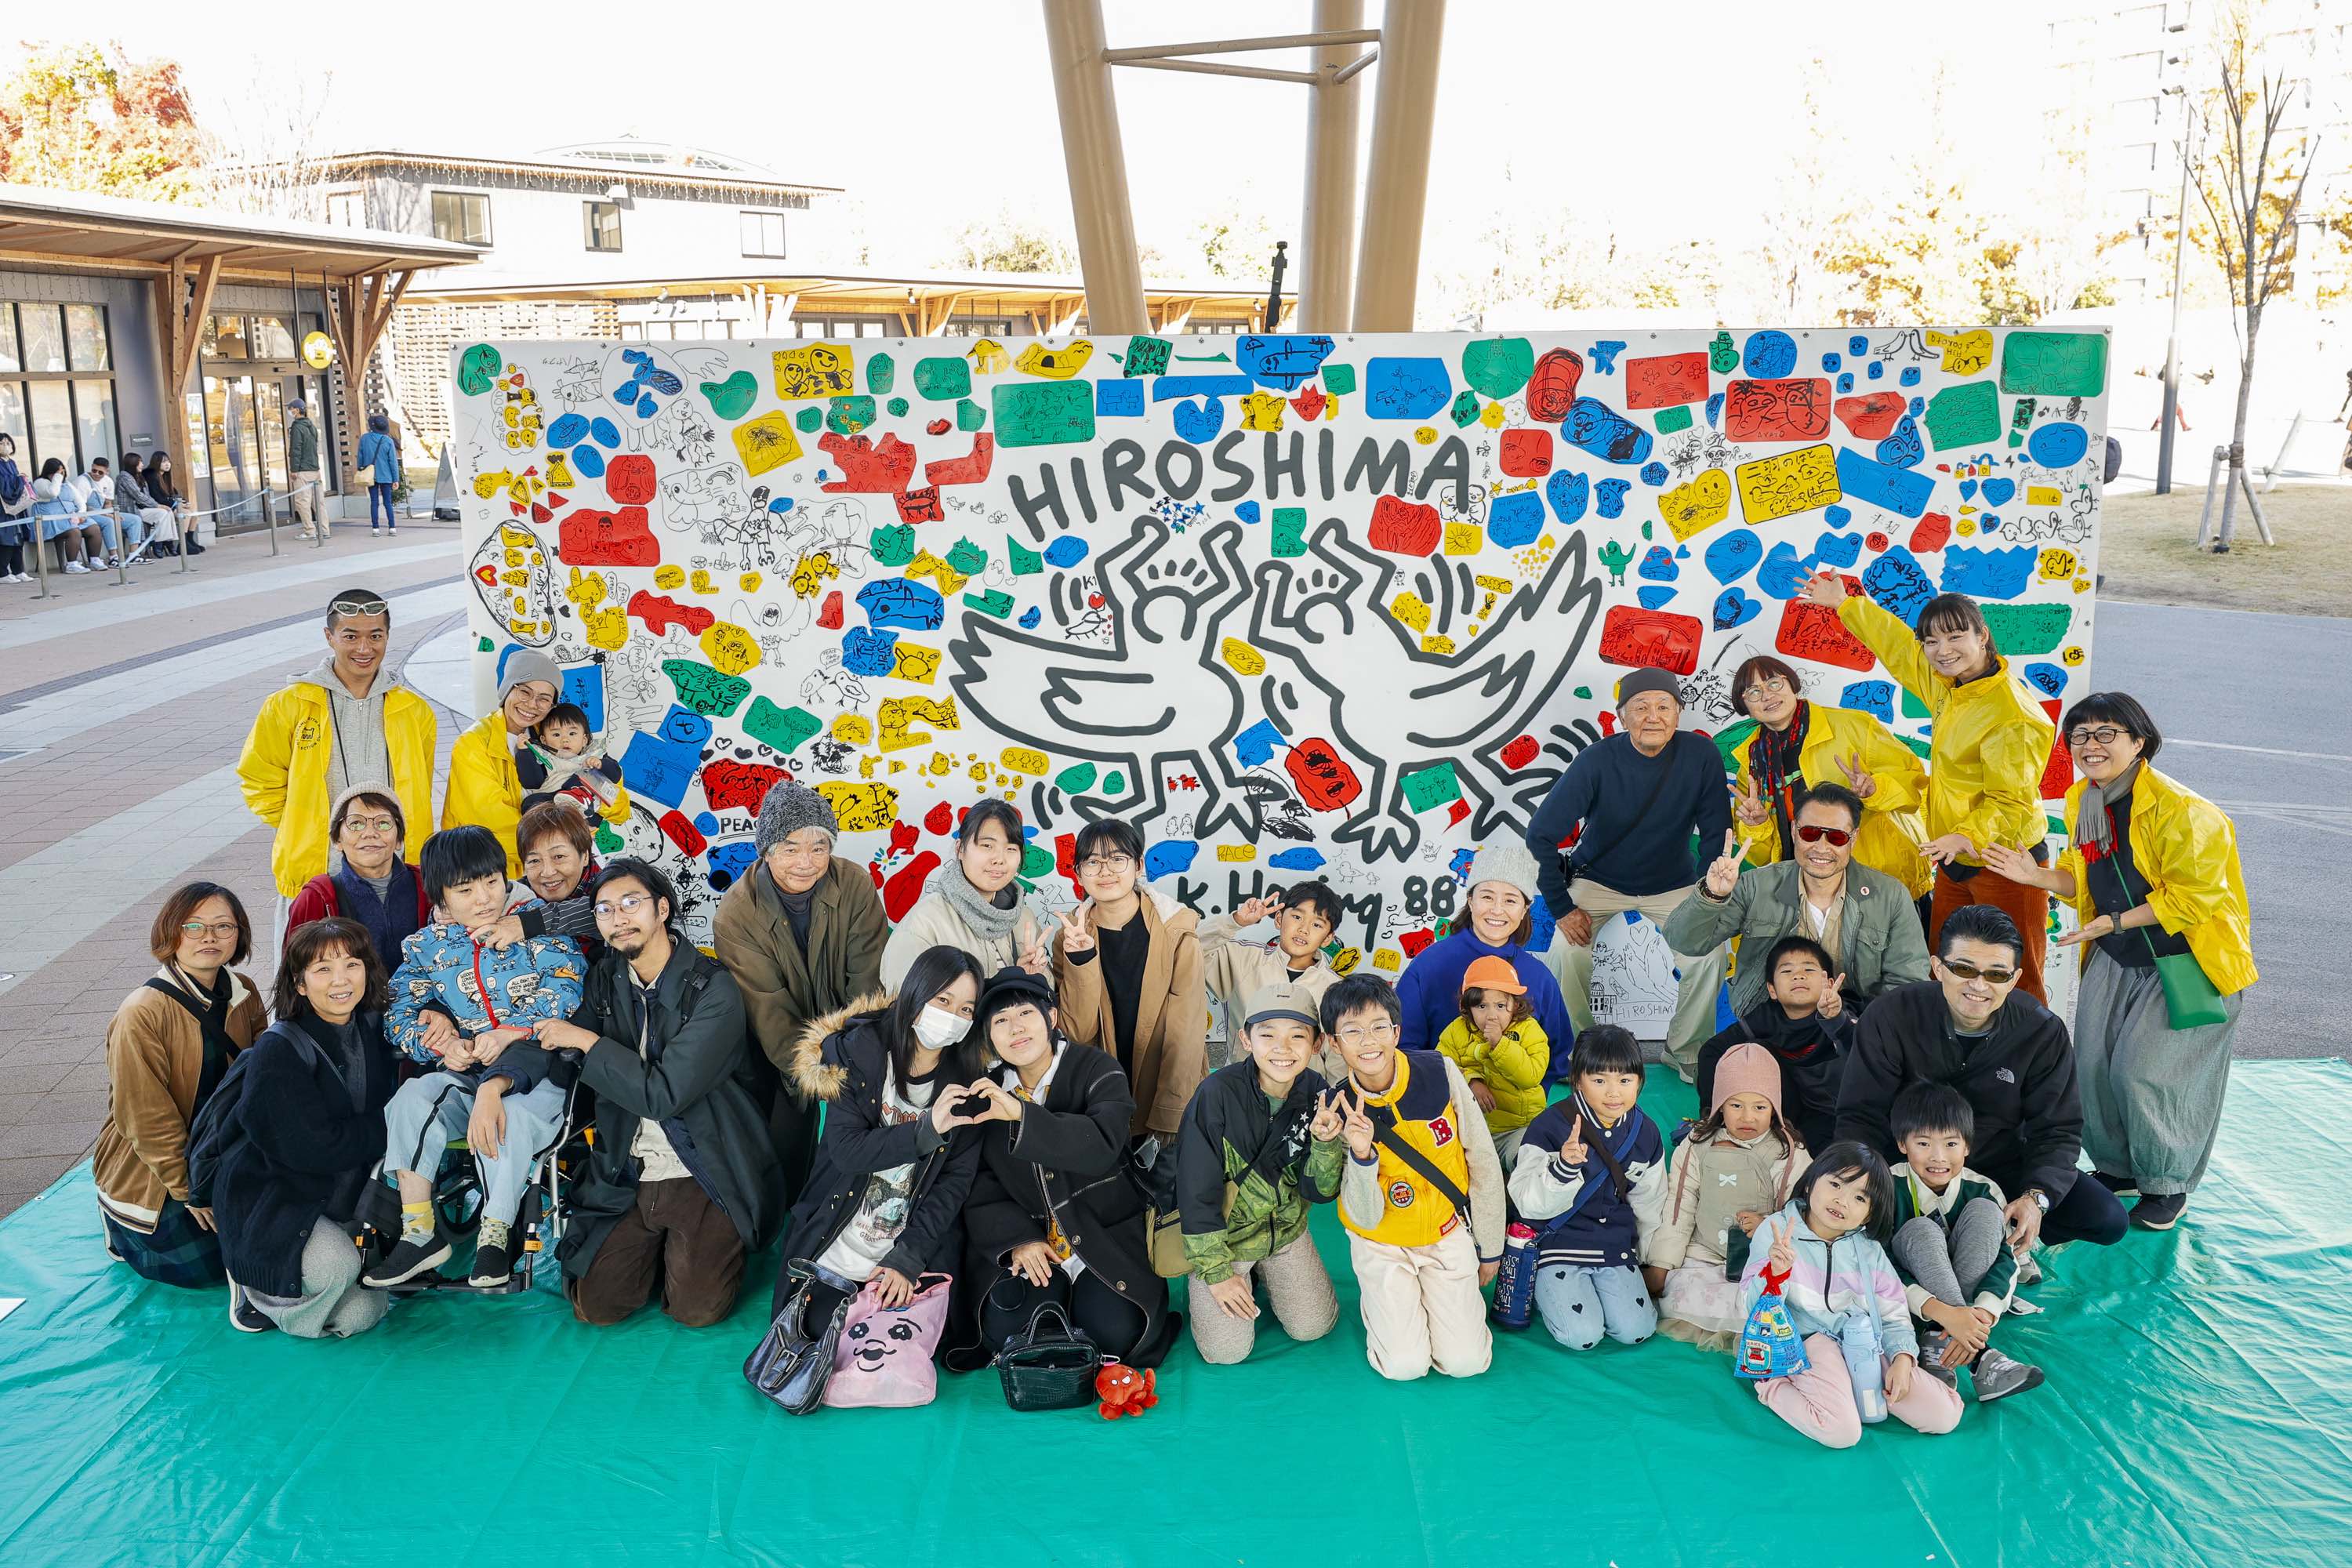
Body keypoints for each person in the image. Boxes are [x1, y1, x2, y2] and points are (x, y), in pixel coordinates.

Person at [1984, 693, 2255, 1232]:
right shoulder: (2085, 799)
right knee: (2094, 1067)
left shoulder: (2186, 811)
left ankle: (2167, 1183)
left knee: (2144, 1073)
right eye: (2080, 735)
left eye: (2106, 733)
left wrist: (2112, 923)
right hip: (2116, 954)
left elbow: (2193, 899)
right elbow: (2081, 878)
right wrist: (2035, 877)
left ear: (2139, 742)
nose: (2091, 745)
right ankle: (2118, 1168)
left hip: (2185, 960)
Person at [536, 859, 785, 1327]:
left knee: (697, 1310)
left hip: (703, 1166)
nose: (619, 918)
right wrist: (498, 1077)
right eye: (605, 909)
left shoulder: (714, 989)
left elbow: (664, 1095)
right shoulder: (605, 979)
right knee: (596, 1308)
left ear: (663, 909)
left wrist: (589, 1043)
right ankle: (652, 1253)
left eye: (631, 903)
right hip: (628, 1167)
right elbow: (556, 1043)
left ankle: (700, 1244)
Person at [1800, 573, 2060, 999]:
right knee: (1945, 969)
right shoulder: (1949, 685)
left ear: (1983, 636)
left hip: (2006, 860)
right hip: (1954, 856)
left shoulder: (2014, 714)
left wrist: (1965, 836)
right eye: (1932, 641)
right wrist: (1846, 604)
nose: (1943, 650)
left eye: (1956, 637)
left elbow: (2010, 802)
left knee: (2015, 977)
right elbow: (1899, 647)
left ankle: (2027, 1045)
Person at [1836, 903, 2129, 1258]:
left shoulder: (2041, 1031)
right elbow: (1861, 1115)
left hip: (1999, 1162)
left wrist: (2035, 1197)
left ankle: (2009, 1235)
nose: (1978, 985)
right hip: (1908, 1165)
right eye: (1963, 969)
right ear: (1938, 968)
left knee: (2107, 1218)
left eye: (1996, 974)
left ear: (2015, 979)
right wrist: (1870, 1184)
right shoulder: (1890, 1015)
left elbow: (2057, 1129)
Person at [366, 826, 586, 1288]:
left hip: (539, 1074)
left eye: (491, 882)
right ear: (441, 897)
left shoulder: (537, 927)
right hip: (469, 1072)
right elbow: (397, 1011)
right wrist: (438, 1040)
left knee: (509, 1115)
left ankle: (496, 1232)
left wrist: (510, 1033)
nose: (485, 898)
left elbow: (566, 990)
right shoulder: (427, 947)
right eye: (466, 890)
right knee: (410, 1098)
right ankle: (419, 1232)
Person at [953, 966, 1176, 1370]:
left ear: (1051, 1018)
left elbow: (1103, 1145)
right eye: (1000, 1021)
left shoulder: (1098, 1069)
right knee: (1009, 1333)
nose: (1015, 1028)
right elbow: (980, 1183)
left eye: (1026, 1013)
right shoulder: (985, 1092)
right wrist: (1018, 1240)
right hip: (1033, 1244)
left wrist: (1021, 1115)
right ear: (989, 1035)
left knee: (1115, 1335)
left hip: (1102, 1236)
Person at [1526, 667, 1734, 1079]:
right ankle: (1579, 1052)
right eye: (1640, 707)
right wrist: (1562, 907)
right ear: (1623, 716)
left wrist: (1705, 897)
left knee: (1709, 956)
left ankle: (1686, 1052)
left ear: (1679, 713)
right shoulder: (1597, 760)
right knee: (1566, 954)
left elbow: (1715, 832)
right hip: (1599, 880)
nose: (1653, 717)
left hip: (1673, 885)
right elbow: (1540, 834)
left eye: (1664, 707)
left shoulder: (1701, 755)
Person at [770, 944, 987, 1330]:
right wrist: (926, 1130)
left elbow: (954, 1183)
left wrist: (908, 1258)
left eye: (966, 1009)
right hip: (839, 1231)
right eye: (943, 1000)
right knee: (821, 1333)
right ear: (916, 994)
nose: (953, 1016)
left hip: (911, 1244)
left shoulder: (969, 1083)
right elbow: (846, 1151)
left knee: (893, 1343)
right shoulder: (860, 1053)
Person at [214, 917, 400, 1338]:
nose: (341, 980)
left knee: (361, 1313)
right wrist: (391, 1125)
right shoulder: (279, 1049)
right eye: (323, 969)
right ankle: (253, 1286)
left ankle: (311, 1294)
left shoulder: (373, 1026)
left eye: (352, 964)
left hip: (342, 1191)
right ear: (299, 984)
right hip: (275, 1196)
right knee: (339, 1268)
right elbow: (315, 1149)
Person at [713, 780, 888, 1200]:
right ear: (767, 851)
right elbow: (770, 1012)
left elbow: (867, 984)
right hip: (777, 1053)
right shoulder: (736, 915)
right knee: (787, 1162)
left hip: (855, 1038)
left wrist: (857, 1065)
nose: (806, 863)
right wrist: (820, 1074)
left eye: (819, 848)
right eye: (790, 849)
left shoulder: (855, 884)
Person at [1327, 973, 1506, 1381]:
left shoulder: (1439, 1071)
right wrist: (1360, 1155)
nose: (1368, 1042)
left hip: (1445, 1231)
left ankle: (1430, 1303)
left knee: (1466, 1363)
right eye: (1352, 1031)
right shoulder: (1336, 1107)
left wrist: (1490, 1248)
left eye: (1379, 1027)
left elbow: (1481, 1157)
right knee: (1404, 1366)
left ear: (1396, 1031)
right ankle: (1387, 1306)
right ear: (1334, 1044)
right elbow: (1364, 1215)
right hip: (1381, 1242)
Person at [238, 588, 437, 950]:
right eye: (350, 636)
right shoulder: (289, 704)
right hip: (317, 875)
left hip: (394, 876)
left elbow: (419, 785)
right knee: (311, 974)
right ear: (329, 636)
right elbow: (259, 779)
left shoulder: (414, 710)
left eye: (375, 636)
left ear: (387, 637)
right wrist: (306, 824)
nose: (364, 648)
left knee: (399, 974)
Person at [92, 883, 269, 1287]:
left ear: (239, 935)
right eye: (193, 926)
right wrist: (189, 1190)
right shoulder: (141, 1013)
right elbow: (144, 1118)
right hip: (161, 1167)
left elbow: (263, 1071)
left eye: (223, 926)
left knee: (272, 1242)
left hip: (222, 1145)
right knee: (207, 1269)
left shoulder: (243, 990)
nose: (209, 937)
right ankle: (115, 1216)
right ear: (171, 932)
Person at [1737, 1143, 1965, 1448]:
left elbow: (1893, 1311)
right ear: (1810, 1183)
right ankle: (1770, 1382)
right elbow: (1751, 1307)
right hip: (1805, 1343)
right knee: (1842, 1433)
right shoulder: (1777, 1230)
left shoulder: (1869, 1250)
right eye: (1835, 1184)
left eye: (1860, 1198)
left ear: (1870, 1213)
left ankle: (1848, 1384)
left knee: (1944, 1415)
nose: (1842, 1201)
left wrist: (1902, 1357)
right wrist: (1776, 1274)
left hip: (1862, 1340)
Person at [1174, 982, 1346, 1367]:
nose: (1282, 1048)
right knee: (1226, 1352)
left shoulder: (1318, 1093)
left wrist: (1324, 1143)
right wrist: (1217, 1273)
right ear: (1245, 1039)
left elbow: (1319, 1192)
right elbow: (1194, 1191)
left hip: (1284, 1234)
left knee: (1313, 1326)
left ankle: (1265, 1276)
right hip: (1227, 1241)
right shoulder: (1216, 1094)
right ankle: (1214, 1277)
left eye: (1297, 1036)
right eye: (1267, 1035)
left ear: (1316, 1044)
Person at [1664, 782, 1929, 1018]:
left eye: (1836, 837)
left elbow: (1907, 983)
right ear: (1794, 831)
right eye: (1810, 833)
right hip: (1769, 1026)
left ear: (1854, 839)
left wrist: (1867, 1032)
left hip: (1855, 1028)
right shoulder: (1756, 886)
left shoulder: (1890, 896)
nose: (1822, 848)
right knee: (1714, 1056)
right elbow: (1684, 941)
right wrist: (1712, 895)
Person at [1508, 1024, 1667, 1352]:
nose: (1614, 1093)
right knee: (1582, 1335)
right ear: (1577, 1080)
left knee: (1636, 1330)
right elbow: (1526, 1202)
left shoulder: (1646, 1132)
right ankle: (1545, 1289)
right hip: (1558, 1242)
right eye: (1599, 1080)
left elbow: (1650, 1201)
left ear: (1640, 1081)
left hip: (1613, 1244)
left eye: (1625, 1080)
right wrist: (1563, 1168)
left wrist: (1649, 1260)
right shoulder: (1549, 1127)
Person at [1051, 818, 1206, 1151]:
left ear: (1138, 865)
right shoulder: (1069, 936)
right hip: (1098, 1097)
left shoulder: (1176, 930)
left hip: (1162, 1092)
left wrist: (1171, 1113)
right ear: (1079, 874)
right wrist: (1081, 959)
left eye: (1117, 859)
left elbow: (1187, 1029)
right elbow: (1077, 1033)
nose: (1105, 871)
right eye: (1093, 862)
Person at [1725, 655, 1930, 898]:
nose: (1767, 695)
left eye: (1774, 683)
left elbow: (1915, 785)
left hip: (1883, 881)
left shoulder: (1853, 726)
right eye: (1753, 692)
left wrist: (1876, 790)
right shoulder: (1752, 764)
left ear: (1791, 683)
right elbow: (1762, 857)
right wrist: (1757, 825)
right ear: (1745, 706)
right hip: (1809, 891)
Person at [1886, 1081, 2041, 1403]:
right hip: (1912, 1305)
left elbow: (2004, 1259)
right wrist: (1943, 1312)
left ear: (1968, 1146)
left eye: (1951, 1144)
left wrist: (1981, 1314)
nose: (1938, 1157)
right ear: (1902, 1143)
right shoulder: (1886, 1186)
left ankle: (1941, 1340)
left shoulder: (1984, 1189)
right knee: (1921, 1229)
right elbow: (1877, 1266)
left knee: (1986, 1212)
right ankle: (1982, 1358)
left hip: (1969, 1305)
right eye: (1923, 1143)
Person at [1647, 1042, 1806, 1350]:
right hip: (1704, 1253)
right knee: (1682, 1295)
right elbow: (1679, 1206)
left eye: (1760, 1107)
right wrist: (1662, 1264)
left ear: (1775, 1107)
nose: (1748, 1117)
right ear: (1720, 1105)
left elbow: (1799, 1211)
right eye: (1735, 1106)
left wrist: (1766, 1223)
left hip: (1761, 1257)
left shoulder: (1788, 1153)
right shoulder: (1697, 1145)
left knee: (1776, 1297)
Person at [1392, 841, 1573, 1077]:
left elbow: (1556, 1058)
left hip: (1520, 1101)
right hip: (1443, 1095)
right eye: (1487, 897)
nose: (1497, 910)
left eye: (1510, 900)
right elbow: (1404, 1047)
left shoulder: (1540, 977)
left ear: (1525, 909)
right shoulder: (1428, 965)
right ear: (1470, 900)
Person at [444, 650, 630, 876]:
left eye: (544, 699)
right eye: (524, 691)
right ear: (507, 689)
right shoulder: (472, 744)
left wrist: (594, 808)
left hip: (551, 867)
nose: (532, 704)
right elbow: (490, 821)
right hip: (493, 873)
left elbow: (618, 802)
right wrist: (568, 839)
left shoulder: (554, 735)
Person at [1693, 935, 1856, 1156]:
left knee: (1832, 1159)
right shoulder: (1767, 1017)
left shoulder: (1843, 1013)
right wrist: (1711, 1115)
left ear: (1829, 983)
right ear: (1772, 990)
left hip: (1839, 1109)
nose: (1798, 975)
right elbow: (1712, 1051)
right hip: (1790, 1109)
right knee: (1755, 1050)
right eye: (1787, 971)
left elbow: (1862, 1056)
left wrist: (1835, 1020)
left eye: (1809, 969)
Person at [881, 799, 1050, 988]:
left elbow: (1048, 997)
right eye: (987, 846)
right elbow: (907, 1003)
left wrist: (1031, 981)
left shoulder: (1024, 918)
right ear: (960, 849)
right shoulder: (922, 925)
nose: (1000, 859)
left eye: (1011, 849)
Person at [1196, 878, 1345, 1069]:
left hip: (1307, 1086)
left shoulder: (1335, 988)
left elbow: (1337, 1058)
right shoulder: (1243, 959)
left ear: (1328, 938)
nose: (1304, 929)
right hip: (1244, 1081)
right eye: (1297, 917)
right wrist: (1235, 922)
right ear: (1279, 919)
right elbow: (1191, 950)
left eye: (1317, 925)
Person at [283, 787, 431, 978]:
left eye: (383, 823)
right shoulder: (316, 898)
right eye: (356, 823)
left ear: (399, 840)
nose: (370, 833)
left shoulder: (429, 885)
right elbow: (294, 974)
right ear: (337, 840)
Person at [1434, 955, 1549, 1164]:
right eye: (1482, 1006)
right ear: (1467, 1007)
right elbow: (1441, 1069)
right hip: (1470, 1130)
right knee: (1449, 1161)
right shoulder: (1456, 1031)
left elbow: (1530, 1076)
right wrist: (1471, 1081)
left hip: (1518, 1127)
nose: (1491, 1015)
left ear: (1516, 1005)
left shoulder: (1529, 1029)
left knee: (1527, 1160)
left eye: (1500, 1006)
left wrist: (1500, 1045)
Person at [515, 702, 625, 815]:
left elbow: (616, 776)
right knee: (529, 803)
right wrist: (524, 751)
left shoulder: (594, 754)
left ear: (584, 740)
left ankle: (578, 799)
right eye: (556, 735)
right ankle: (560, 813)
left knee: (582, 775)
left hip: (585, 803)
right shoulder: (543, 757)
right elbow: (532, 783)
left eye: (572, 733)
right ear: (544, 740)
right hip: (553, 801)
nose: (565, 740)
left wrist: (601, 764)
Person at [29, 459, 95, 573]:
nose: (61, 475)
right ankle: (72, 565)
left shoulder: (67, 484)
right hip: (51, 522)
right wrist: (57, 477)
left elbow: (80, 502)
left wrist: (80, 514)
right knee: (74, 532)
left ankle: (95, 560)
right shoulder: (40, 482)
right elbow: (53, 493)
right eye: (57, 473)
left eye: (62, 472)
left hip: (70, 518)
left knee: (93, 528)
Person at [113, 452, 172, 562]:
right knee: (162, 512)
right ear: (133, 464)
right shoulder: (124, 477)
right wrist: (158, 505)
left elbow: (147, 495)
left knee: (165, 513)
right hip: (131, 510)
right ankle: (157, 544)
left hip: (142, 509)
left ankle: (161, 542)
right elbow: (138, 495)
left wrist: (158, 506)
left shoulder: (139, 476)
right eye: (140, 462)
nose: (142, 465)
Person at [146, 451, 201, 557]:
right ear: (156, 463)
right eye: (163, 462)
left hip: (170, 505)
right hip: (160, 506)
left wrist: (184, 502)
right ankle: (183, 544)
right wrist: (177, 504)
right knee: (185, 514)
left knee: (194, 514)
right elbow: (157, 497)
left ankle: (190, 540)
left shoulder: (166, 476)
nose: (167, 464)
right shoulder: (151, 476)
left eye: (168, 462)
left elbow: (174, 493)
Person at [356, 412, 400, 535]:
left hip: (370, 475)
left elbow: (360, 456)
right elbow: (393, 461)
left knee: (374, 502)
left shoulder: (364, 438)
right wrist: (395, 479)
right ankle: (392, 528)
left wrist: (361, 469)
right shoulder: (388, 441)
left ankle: (375, 528)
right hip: (386, 475)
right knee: (388, 503)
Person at [288, 401, 325, 541]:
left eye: (291, 409)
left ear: (297, 410)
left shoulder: (297, 428)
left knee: (302, 502)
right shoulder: (311, 426)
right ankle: (324, 530)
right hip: (315, 468)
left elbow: (296, 449)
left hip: (303, 470)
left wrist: (294, 469)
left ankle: (310, 531)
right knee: (318, 502)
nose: (290, 411)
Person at [0, 431, 30, 581]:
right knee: (6, 539)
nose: (6, 446)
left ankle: (19, 570)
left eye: (8, 443)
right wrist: (17, 480)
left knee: (18, 538)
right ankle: (3, 573)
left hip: (16, 506)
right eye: (1, 443)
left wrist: (21, 479)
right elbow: (3, 486)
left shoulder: (11, 462)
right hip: (3, 508)